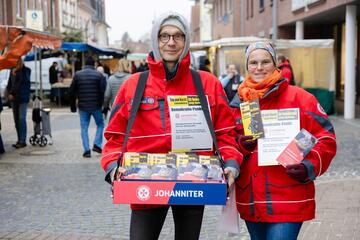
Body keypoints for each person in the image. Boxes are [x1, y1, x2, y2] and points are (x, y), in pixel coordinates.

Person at [100, 11, 242, 239]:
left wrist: (232, 163)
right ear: (155, 40)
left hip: (194, 180)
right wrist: (112, 166)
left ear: (186, 41)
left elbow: (225, 133)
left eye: (178, 36)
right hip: (145, 179)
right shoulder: (133, 86)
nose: (171, 42)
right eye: (164, 36)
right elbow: (115, 136)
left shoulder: (208, 83)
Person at [233, 42, 336, 239]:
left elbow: (325, 137)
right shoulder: (239, 101)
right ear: (247, 67)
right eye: (253, 63)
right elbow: (227, 143)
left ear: (275, 64)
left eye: (265, 61)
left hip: (289, 195)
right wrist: (241, 146)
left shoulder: (301, 98)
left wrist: (308, 165)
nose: (259, 67)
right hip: (251, 199)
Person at [69, 56, 106, 158]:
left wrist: (73, 106)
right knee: (100, 124)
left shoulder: (77, 75)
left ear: (84, 64)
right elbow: (103, 91)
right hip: (96, 106)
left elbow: (71, 91)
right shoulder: (99, 75)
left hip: (83, 106)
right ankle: (97, 144)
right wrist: (102, 105)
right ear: (94, 64)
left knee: (84, 128)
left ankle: (86, 150)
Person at [6, 59, 31, 149]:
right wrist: (9, 93)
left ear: (22, 62)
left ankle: (23, 141)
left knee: (21, 119)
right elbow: (10, 84)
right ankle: (19, 139)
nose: (18, 63)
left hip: (22, 99)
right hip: (14, 99)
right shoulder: (12, 70)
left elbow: (21, 81)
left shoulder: (26, 71)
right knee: (16, 120)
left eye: (19, 61)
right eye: (16, 62)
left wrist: (18, 71)